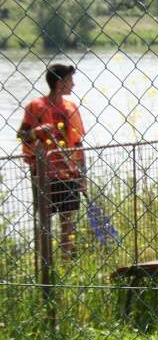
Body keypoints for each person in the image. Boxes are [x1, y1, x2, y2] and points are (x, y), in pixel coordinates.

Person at [18, 63, 86, 259]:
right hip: (44, 174)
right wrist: (36, 131)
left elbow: (79, 144)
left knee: (68, 221)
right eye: (70, 80)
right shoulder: (35, 106)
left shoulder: (71, 107)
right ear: (59, 83)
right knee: (44, 220)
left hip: (68, 173)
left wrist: (83, 175)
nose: (73, 84)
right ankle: (43, 262)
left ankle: (65, 262)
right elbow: (22, 135)